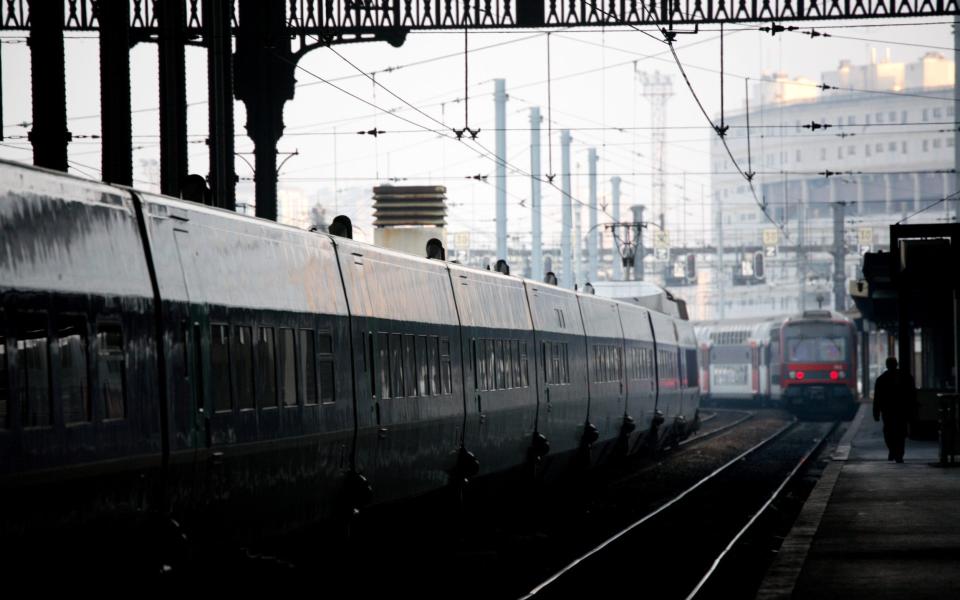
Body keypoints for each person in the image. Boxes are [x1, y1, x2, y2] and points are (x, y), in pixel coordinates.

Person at [873, 357, 917, 463]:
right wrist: (912, 408)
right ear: (896, 364)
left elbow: (877, 398)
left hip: (887, 410)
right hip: (902, 410)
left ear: (886, 365)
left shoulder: (881, 379)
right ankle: (899, 454)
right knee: (901, 432)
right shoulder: (906, 377)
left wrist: (876, 412)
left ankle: (893, 450)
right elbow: (912, 394)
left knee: (888, 431)